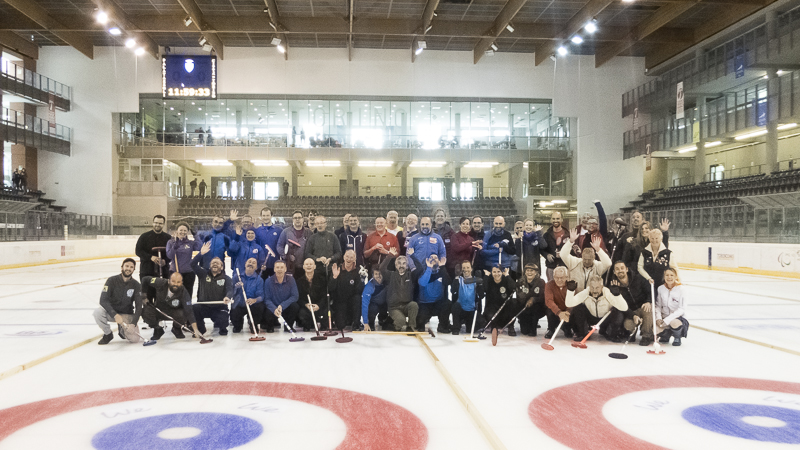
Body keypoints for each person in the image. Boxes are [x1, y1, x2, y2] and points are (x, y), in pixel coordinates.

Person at [565, 275, 628, 342]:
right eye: (592, 287)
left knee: (618, 313)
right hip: (591, 318)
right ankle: (583, 333)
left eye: (597, 288)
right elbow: (569, 304)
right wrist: (570, 291)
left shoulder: (607, 292)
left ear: (602, 287)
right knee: (578, 308)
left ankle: (611, 333)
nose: (594, 290)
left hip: (605, 319)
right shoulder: (586, 292)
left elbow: (624, 308)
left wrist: (617, 295)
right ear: (589, 286)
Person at [141, 272, 202, 341]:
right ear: (168, 281)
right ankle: (157, 329)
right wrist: (144, 296)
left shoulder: (183, 292)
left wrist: (195, 329)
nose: (175, 284)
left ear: (182, 283)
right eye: (173, 281)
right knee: (146, 311)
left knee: (183, 313)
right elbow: (145, 279)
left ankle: (176, 328)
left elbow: (189, 310)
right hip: (159, 310)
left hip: (173, 312)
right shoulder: (160, 282)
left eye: (178, 282)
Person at [94, 258, 142, 345]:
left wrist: (133, 323)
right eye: (127, 266)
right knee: (97, 312)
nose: (128, 268)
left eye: (131, 267)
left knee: (135, 339)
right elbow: (103, 300)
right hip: (112, 314)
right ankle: (108, 334)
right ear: (122, 267)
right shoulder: (111, 280)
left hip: (127, 315)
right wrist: (115, 314)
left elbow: (139, 306)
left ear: (134, 270)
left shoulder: (136, 285)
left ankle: (122, 329)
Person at [191, 243, 233, 336]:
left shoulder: (226, 278)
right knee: (194, 308)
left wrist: (227, 297)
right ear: (209, 266)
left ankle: (222, 326)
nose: (215, 264)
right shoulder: (203, 274)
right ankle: (201, 329)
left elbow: (230, 290)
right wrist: (200, 254)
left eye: (217, 263)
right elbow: (192, 264)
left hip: (219, 307)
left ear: (222, 267)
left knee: (223, 320)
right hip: (204, 306)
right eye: (213, 263)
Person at [607, 260, 653, 346]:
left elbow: (649, 291)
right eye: (617, 269)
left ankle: (646, 336)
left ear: (626, 269)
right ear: (614, 272)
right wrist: (633, 315)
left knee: (648, 310)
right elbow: (620, 306)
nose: (620, 270)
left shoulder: (638, 278)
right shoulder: (613, 285)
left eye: (622, 268)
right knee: (628, 326)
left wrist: (648, 301)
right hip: (630, 311)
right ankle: (632, 333)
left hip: (642, 306)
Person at [135, 215, 171, 303]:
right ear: (153, 222)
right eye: (156, 222)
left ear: (164, 224)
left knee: (161, 298)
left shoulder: (168, 238)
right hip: (147, 271)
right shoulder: (144, 236)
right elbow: (138, 251)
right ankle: (148, 311)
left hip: (163, 272)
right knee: (148, 298)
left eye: (160, 223)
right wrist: (150, 257)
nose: (157, 225)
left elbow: (171, 254)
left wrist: (165, 261)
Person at [381, 252, 419, 331]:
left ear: (407, 266)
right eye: (399, 263)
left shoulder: (410, 276)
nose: (401, 265)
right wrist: (390, 256)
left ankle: (411, 327)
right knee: (401, 322)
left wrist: (413, 256)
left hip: (406, 305)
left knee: (414, 305)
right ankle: (390, 323)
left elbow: (420, 269)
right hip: (394, 307)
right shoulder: (390, 275)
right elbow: (382, 268)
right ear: (396, 265)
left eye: (404, 263)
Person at [328, 250, 364, 330]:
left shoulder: (358, 271)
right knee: (340, 325)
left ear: (354, 259)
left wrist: (362, 280)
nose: (349, 259)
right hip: (340, 301)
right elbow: (330, 288)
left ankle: (356, 323)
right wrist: (334, 277)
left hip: (352, 301)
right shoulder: (337, 269)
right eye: (347, 256)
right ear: (344, 257)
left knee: (357, 298)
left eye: (351, 257)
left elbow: (359, 290)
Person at [416, 255, 452, 333]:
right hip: (425, 304)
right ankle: (422, 321)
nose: (433, 259)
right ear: (427, 261)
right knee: (420, 324)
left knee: (447, 303)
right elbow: (422, 283)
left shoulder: (442, 272)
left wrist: (442, 267)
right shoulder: (423, 272)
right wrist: (429, 268)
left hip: (438, 303)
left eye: (435, 258)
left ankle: (442, 326)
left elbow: (448, 282)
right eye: (431, 258)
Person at [262, 260, 301, 332]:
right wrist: (274, 308)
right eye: (277, 267)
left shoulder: (291, 280)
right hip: (273, 309)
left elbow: (295, 296)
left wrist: (282, 306)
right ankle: (270, 326)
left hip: (286, 307)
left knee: (295, 306)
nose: (279, 269)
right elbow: (267, 299)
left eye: (282, 267)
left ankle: (288, 326)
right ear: (274, 269)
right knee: (265, 309)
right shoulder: (268, 281)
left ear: (285, 269)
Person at [450, 260, 486, 335]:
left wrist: (480, 284)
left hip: (471, 310)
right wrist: (456, 277)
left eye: (468, 267)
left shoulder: (475, 280)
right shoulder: (459, 280)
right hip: (461, 310)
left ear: (471, 269)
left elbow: (481, 295)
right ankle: (456, 328)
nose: (466, 269)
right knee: (455, 306)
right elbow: (453, 290)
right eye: (464, 268)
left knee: (478, 325)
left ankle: (469, 324)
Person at [166, 221, 201, 297]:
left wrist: (195, 235)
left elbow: (199, 247)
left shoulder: (190, 243)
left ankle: (187, 305)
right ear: (177, 231)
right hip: (175, 272)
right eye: (181, 230)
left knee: (187, 294)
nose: (183, 232)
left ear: (187, 232)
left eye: (185, 230)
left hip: (188, 273)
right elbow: (169, 256)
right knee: (175, 294)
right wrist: (175, 246)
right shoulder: (171, 242)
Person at [230, 258, 265, 334]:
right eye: (249, 262)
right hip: (240, 304)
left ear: (256, 267)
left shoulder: (259, 280)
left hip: (252, 305)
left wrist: (254, 300)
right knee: (236, 326)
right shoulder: (237, 277)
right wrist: (236, 287)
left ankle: (253, 323)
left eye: (253, 263)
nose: (251, 264)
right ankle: (238, 324)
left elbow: (261, 296)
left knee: (260, 306)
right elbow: (230, 292)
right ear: (245, 264)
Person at [655, 268, 688, 346]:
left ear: (676, 276)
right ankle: (666, 335)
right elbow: (658, 306)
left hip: (677, 318)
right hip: (664, 317)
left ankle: (677, 337)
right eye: (667, 275)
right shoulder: (660, 288)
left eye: (671, 275)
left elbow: (681, 309)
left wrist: (667, 320)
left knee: (674, 323)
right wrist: (658, 318)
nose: (669, 277)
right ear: (664, 277)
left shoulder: (681, 289)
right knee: (655, 328)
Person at [483, 265, 518, 339]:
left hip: (504, 311)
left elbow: (514, 287)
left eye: (498, 271)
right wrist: (486, 276)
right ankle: (494, 327)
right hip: (492, 310)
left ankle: (511, 326)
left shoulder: (506, 280)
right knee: (489, 314)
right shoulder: (489, 280)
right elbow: (484, 289)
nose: (496, 274)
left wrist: (507, 275)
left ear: (502, 272)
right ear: (491, 273)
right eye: (494, 272)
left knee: (514, 303)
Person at [295, 258, 328, 331]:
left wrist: (318, 305)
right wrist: (306, 305)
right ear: (303, 267)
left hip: (318, 306)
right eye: (307, 264)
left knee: (327, 311)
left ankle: (322, 324)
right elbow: (298, 298)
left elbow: (324, 296)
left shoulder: (322, 279)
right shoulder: (299, 281)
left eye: (311, 264)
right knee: (302, 314)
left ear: (315, 266)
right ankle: (309, 324)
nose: (309, 266)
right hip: (307, 307)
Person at [278, 210, 313, 276]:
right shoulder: (286, 232)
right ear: (292, 219)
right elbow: (279, 246)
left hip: (304, 266)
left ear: (303, 219)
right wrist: (287, 256)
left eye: (299, 218)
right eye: (295, 218)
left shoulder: (309, 232)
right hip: (290, 266)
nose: (297, 220)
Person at [516, 263, 547, 336]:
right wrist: (527, 298)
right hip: (524, 307)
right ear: (525, 272)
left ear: (536, 272)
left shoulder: (541, 282)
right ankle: (524, 321)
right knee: (524, 331)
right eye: (527, 270)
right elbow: (519, 297)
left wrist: (533, 299)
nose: (529, 272)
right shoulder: (520, 282)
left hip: (536, 308)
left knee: (536, 307)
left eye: (532, 271)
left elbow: (543, 297)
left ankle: (533, 328)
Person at [544, 266, 573, 339]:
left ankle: (567, 327)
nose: (559, 280)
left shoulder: (571, 285)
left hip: (567, 311)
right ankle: (551, 329)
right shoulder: (549, 285)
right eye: (557, 278)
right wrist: (559, 313)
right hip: (556, 310)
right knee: (549, 309)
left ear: (566, 277)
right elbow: (549, 301)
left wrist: (568, 312)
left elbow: (573, 301)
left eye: (562, 278)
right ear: (554, 277)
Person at [255, 207, 283, 278]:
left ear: (271, 216)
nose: (265, 217)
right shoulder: (257, 231)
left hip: (275, 264)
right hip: (261, 265)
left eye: (267, 215)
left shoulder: (279, 230)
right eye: (263, 215)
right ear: (261, 216)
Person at [362, 267, 390, 331]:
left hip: (384, 304)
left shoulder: (387, 283)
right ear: (373, 275)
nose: (378, 276)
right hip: (374, 305)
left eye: (380, 274)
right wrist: (365, 323)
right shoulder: (369, 286)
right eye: (376, 274)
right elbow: (364, 304)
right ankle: (371, 323)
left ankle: (383, 319)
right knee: (373, 308)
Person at [543, 211, 568, 281]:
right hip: (551, 266)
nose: (555, 220)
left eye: (557, 218)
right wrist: (546, 255)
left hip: (564, 265)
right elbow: (542, 249)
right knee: (550, 285)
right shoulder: (546, 235)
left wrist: (564, 254)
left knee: (564, 285)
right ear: (551, 220)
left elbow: (571, 250)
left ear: (562, 219)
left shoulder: (568, 234)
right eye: (553, 219)